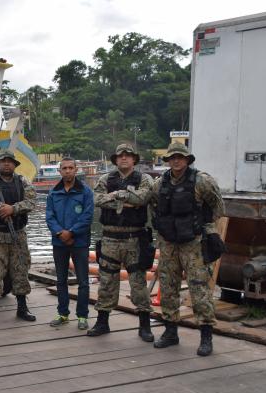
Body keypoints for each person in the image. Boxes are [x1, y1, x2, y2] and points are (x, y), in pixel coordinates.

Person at [150, 142, 225, 356]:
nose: (176, 160)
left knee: (199, 288)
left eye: (180, 157)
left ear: (187, 159)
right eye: (172, 157)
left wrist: (206, 227)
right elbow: (153, 205)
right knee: (168, 285)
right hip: (168, 242)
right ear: (168, 160)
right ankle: (171, 332)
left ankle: (206, 336)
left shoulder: (202, 181)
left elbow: (218, 207)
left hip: (194, 241)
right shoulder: (160, 183)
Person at [88, 142, 155, 341]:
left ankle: (144, 325)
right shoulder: (105, 178)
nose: (124, 158)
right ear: (115, 159)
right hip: (109, 237)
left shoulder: (144, 178)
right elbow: (97, 200)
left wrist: (117, 197)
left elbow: (143, 198)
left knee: (138, 283)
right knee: (107, 281)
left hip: (135, 238)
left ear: (134, 159)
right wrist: (125, 200)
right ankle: (102, 322)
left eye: (128, 155)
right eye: (120, 155)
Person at [0, 149, 37, 322]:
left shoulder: (22, 181)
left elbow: (31, 201)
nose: (6, 163)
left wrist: (13, 209)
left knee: (20, 271)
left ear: (14, 164)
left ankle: (22, 308)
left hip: (17, 234)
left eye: (9, 161)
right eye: (3, 161)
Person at [45, 157, 94, 330]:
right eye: (64, 168)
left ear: (76, 169)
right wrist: (60, 233)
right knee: (61, 280)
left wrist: (72, 232)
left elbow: (87, 216)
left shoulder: (86, 192)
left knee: (83, 281)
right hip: (59, 242)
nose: (67, 171)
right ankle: (63, 313)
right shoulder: (53, 192)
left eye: (70, 167)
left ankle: (82, 316)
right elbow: (49, 217)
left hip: (79, 242)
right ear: (60, 171)